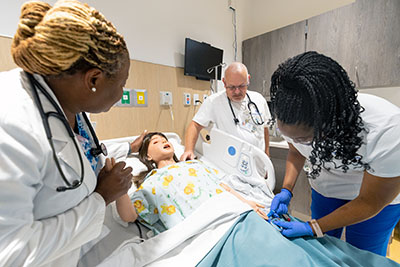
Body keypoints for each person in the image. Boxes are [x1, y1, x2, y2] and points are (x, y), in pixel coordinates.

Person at [0, 1, 144, 266]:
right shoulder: (10, 122)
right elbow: (9, 253)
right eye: (122, 84)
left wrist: (129, 148)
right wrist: (102, 198)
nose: (122, 93)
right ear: (93, 80)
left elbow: (81, 152)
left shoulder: (67, 103)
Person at [268, 51, 400, 256]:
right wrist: (286, 190)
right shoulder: (293, 117)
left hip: (375, 199)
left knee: (363, 256)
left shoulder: (387, 129)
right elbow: (295, 153)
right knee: (322, 249)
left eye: (303, 138)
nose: (296, 141)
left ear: (329, 125)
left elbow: (369, 202)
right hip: (327, 190)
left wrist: (313, 227)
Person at [115, 132, 268, 234]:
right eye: (156, 142)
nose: (163, 141)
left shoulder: (194, 165)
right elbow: (130, 216)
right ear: (148, 156)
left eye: (165, 140)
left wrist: (246, 202)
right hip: (203, 230)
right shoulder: (153, 181)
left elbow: (222, 186)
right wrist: (119, 188)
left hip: (230, 213)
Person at [180, 62, 271, 161]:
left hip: (259, 164)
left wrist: (266, 154)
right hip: (231, 165)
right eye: (231, 87)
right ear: (224, 82)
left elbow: (264, 128)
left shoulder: (258, 99)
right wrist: (188, 150)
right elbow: (195, 125)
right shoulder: (214, 102)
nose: (237, 91)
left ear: (248, 79)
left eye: (241, 86)